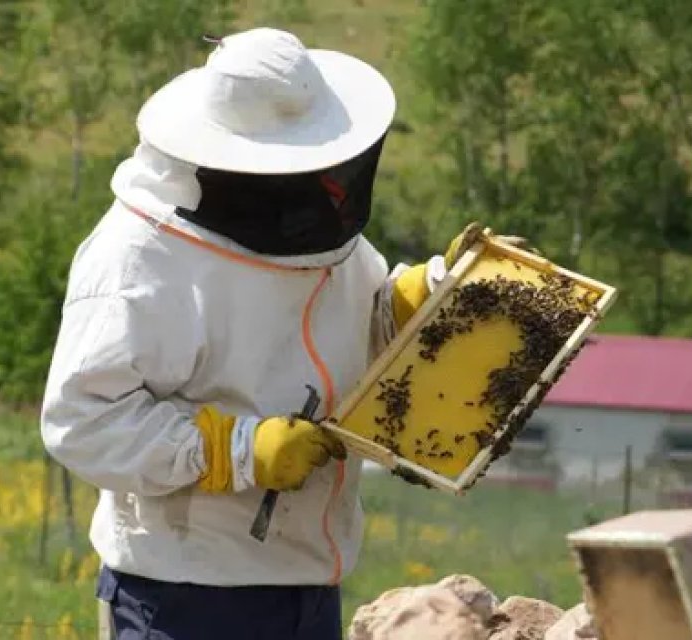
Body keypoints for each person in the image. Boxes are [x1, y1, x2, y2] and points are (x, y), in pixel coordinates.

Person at [40, 27, 528, 640]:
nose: (323, 182)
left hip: (308, 582)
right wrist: (232, 450)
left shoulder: (307, 219)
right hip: (185, 594)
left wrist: (413, 303)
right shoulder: (138, 259)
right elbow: (82, 421)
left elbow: (348, 320)